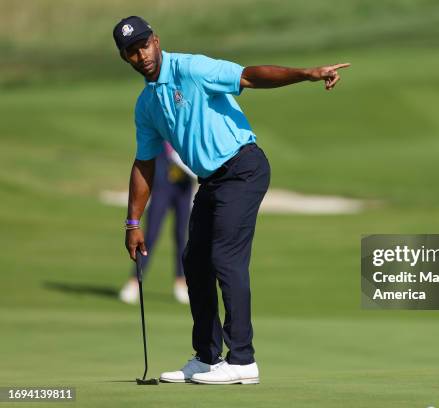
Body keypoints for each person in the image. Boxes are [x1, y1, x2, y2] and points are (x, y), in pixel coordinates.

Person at [113, 15, 349, 385]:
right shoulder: (147, 105)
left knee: (224, 255)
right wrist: (132, 223)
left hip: (243, 167)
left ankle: (242, 360)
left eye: (144, 44)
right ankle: (207, 358)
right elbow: (144, 164)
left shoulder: (192, 67)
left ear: (156, 40)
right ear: (125, 58)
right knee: (194, 261)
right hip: (211, 181)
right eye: (131, 51)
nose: (141, 54)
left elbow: (249, 76)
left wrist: (306, 74)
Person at [118, 142, 194, 305]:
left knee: (181, 235)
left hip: (184, 187)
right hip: (162, 186)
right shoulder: (160, 135)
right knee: (150, 235)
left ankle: (180, 281)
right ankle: (134, 282)